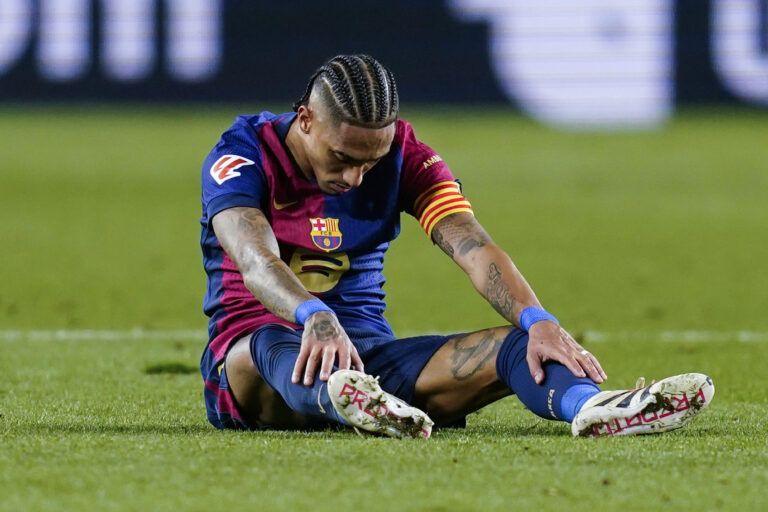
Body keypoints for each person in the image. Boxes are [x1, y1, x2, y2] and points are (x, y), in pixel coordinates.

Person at [198, 54, 714, 438]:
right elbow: (254, 260)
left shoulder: (406, 156)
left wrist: (539, 321)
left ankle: (594, 408)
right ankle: (344, 400)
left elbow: (471, 243)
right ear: (305, 119)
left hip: (369, 362)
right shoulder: (243, 155)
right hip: (252, 362)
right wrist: (314, 314)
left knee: (518, 346)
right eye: (341, 158)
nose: (355, 177)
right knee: (269, 347)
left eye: (369, 162)